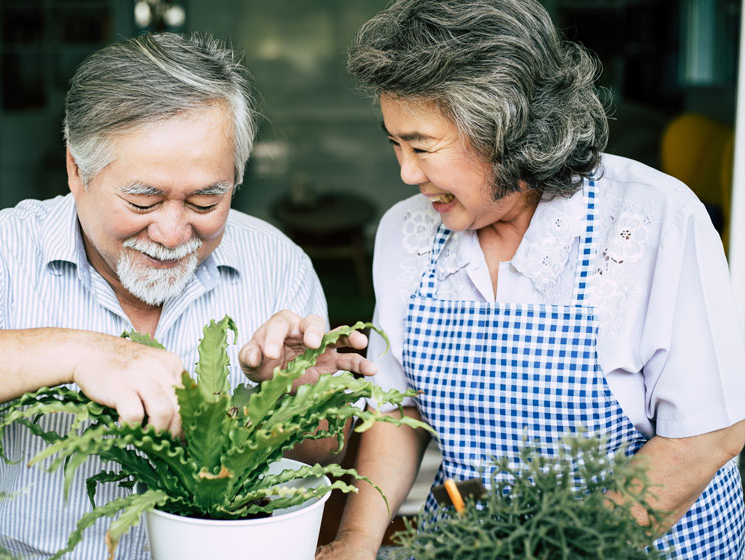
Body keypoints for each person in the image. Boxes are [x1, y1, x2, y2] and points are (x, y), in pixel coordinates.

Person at [0, 32, 374, 559]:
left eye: (204, 201)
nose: (172, 234)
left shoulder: (277, 262)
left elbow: (325, 450)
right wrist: (84, 353)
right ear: (76, 169)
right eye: (142, 200)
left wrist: (291, 398)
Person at [317, 1, 745, 558]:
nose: (405, 172)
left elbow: (707, 434)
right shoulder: (408, 232)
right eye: (395, 143)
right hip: (471, 540)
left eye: (421, 147)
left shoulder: (652, 218)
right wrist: (354, 540)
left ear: (506, 130)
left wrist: (564, 549)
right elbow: (398, 410)